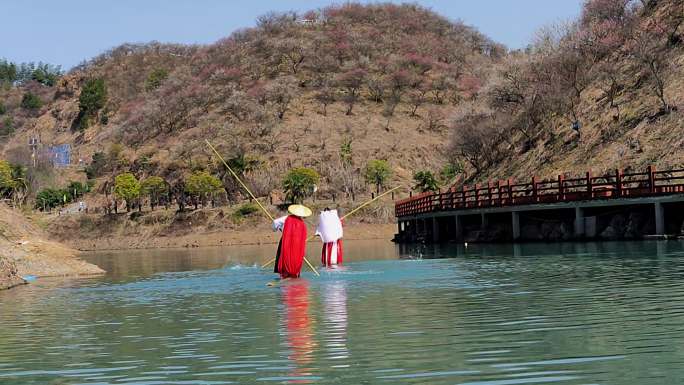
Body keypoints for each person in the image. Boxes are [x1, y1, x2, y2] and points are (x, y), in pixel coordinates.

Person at [272, 204, 312, 279]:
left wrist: (275, 229)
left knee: (284, 257)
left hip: (286, 243)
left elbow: (275, 222)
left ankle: (284, 275)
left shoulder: (287, 218)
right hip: (297, 245)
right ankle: (293, 274)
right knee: (295, 259)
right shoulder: (302, 223)